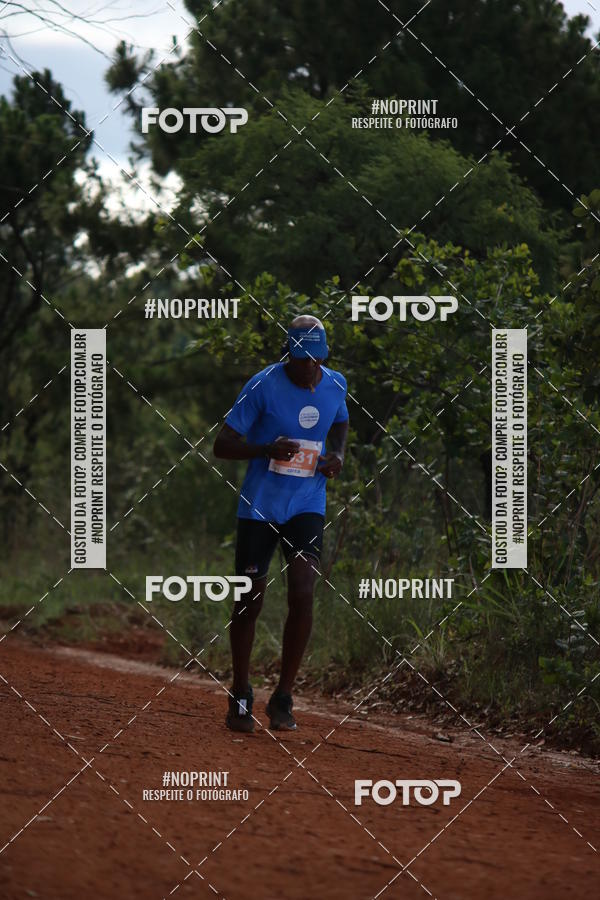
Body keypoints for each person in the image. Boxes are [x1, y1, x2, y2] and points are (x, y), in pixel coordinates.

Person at [213, 314, 349, 732]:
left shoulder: (336, 384)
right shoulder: (262, 385)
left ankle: (283, 697)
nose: (309, 366)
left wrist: (338, 456)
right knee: (249, 600)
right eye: (302, 358)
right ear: (288, 352)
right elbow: (222, 445)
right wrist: (265, 449)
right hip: (260, 506)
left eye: (316, 358)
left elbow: (340, 421)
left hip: (307, 502)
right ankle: (240, 692)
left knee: (303, 592)